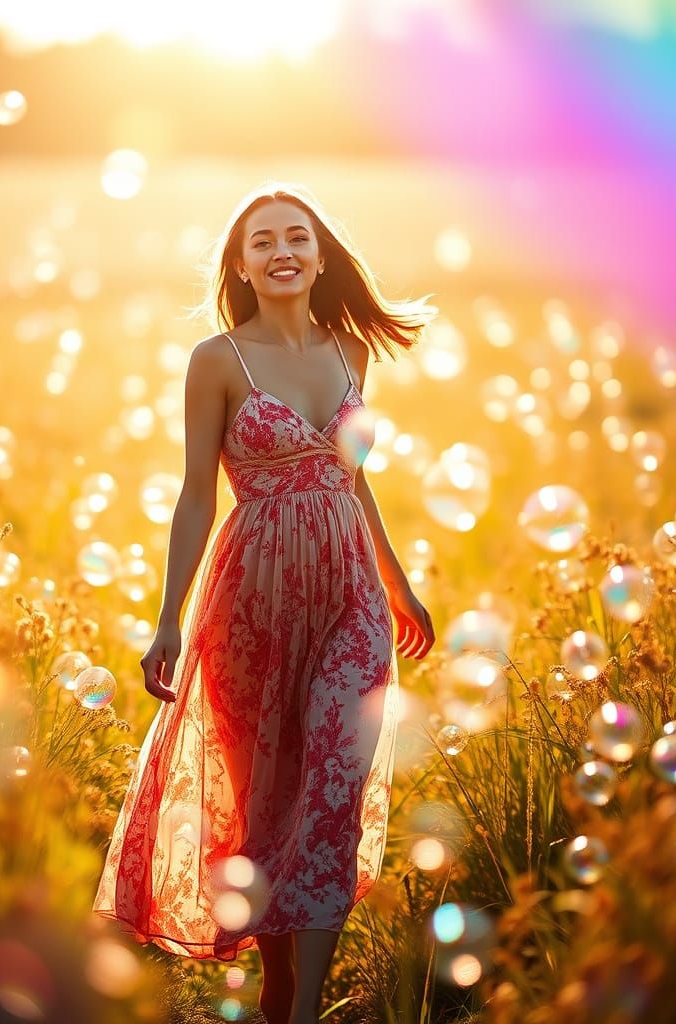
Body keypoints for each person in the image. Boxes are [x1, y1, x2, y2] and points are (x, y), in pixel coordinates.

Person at [94, 181, 437, 1024]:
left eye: (297, 237)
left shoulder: (350, 352)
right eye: (262, 242)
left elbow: (355, 483)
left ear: (321, 256)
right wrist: (169, 616)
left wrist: (398, 585)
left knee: (331, 791)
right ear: (241, 265)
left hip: (349, 596)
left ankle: (305, 1004)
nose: (281, 251)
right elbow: (195, 498)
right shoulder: (218, 360)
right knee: (267, 800)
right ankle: (279, 983)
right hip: (253, 596)